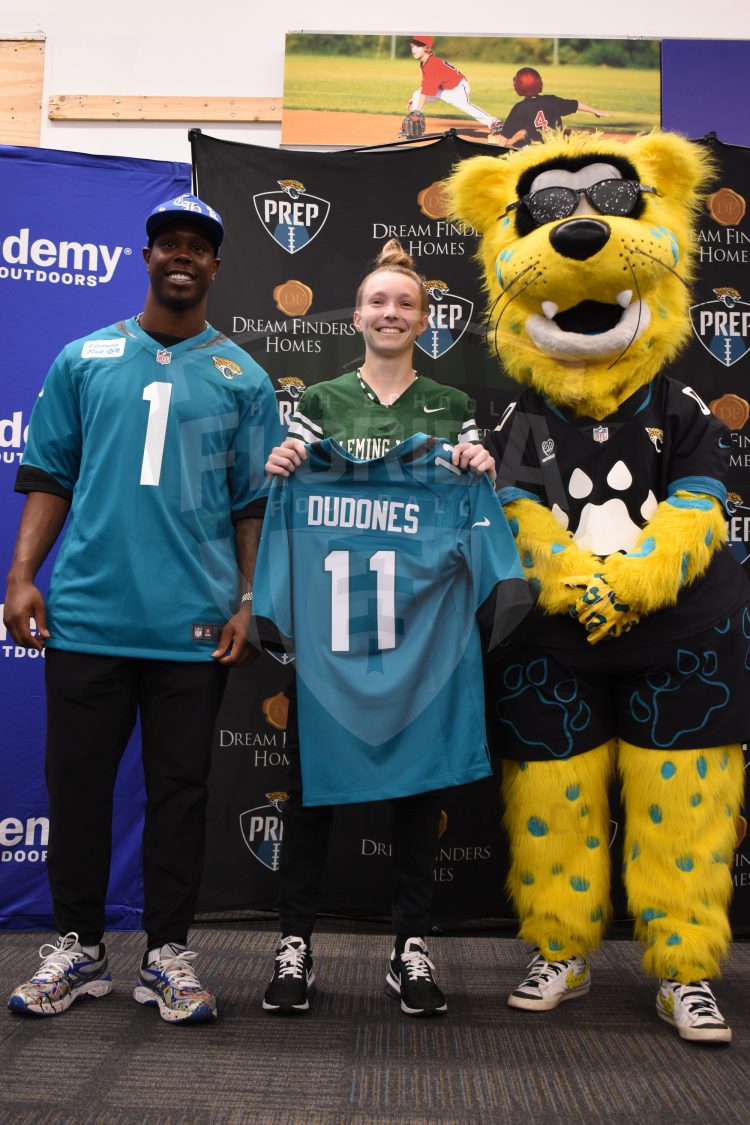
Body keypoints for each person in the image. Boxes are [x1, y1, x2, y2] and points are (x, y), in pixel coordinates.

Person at [4, 194, 281, 1023]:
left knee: (180, 792)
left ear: (216, 265)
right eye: (169, 243)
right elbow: (49, 475)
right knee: (79, 787)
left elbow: (253, 506)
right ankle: (80, 947)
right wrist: (22, 574)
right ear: (148, 256)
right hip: (88, 615)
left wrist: (246, 600)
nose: (182, 255)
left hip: (191, 625)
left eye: (198, 245)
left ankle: (168, 953)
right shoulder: (84, 356)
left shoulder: (245, 376)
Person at [260, 239, 502, 1018]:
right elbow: (290, 485)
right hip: (335, 641)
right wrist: (290, 463)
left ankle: (410, 945)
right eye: (378, 302)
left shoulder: (449, 405)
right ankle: (294, 944)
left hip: (419, 637)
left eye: (405, 303)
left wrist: (477, 463)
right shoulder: (322, 400)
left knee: (416, 793)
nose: (390, 313)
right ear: (358, 315)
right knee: (310, 794)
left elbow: (471, 489)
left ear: (425, 320)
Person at [405, 35, 503, 136]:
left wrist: (418, 111)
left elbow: (426, 89)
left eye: (417, 47)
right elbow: (426, 84)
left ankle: (494, 122)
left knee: (466, 106)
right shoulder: (424, 63)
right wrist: (414, 100)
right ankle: (415, 129)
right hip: (443, 88)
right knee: (416, 95)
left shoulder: (432, 63)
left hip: (457, 87)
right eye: (412, 46)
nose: (413, 50)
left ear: (426, 48)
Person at [495, 66, 612, 148]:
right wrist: (596, 111)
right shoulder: (551, 100)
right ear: (539, 84)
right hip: (557, 148)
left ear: (518, 87)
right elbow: (576, 104)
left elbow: (505, 137)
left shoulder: (519, 108)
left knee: (512, 143)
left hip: (535, 152)